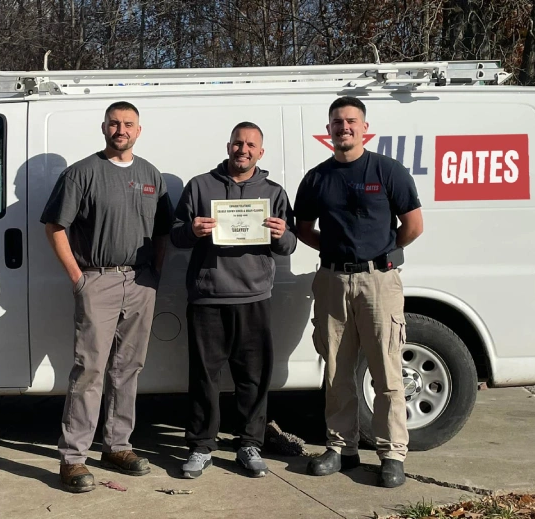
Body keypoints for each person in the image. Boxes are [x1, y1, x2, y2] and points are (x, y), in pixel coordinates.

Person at [40, 101, 174, 493]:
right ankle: (74, 458)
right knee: (90, 369)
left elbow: (164, 230)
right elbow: (55, 227)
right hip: (96, 280)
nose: (121, 130)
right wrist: (79, 279)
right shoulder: (81, 173)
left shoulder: (152, 175)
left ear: (139, 129)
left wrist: (156, 273)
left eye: (128, 124)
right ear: (103, 128)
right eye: (114, 123)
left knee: (128, 367)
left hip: (140, 282)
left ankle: (117, 446)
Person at [294, 96, 423, 488]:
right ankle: (341, 448)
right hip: (332, 281)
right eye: (337, 122)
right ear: (328, 129)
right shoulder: (317, 177)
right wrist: (335, 255)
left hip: (378, 282)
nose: (344, 127)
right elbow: (303, 227)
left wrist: (377, 255)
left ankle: (391, 453)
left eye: (351, 121)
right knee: (336, 370)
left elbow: (413, 225)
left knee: (386, 370)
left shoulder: (388, 171)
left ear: (365, 128)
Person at [170, 121, 297, 479]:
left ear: (261, 152)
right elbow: (177, 236)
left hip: (254, 296)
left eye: (251, 145)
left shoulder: (272, 191)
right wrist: (192, 231)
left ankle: (249, 445)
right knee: (204, 377)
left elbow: (289, 246)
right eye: (238, 143)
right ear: (228, 147)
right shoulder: (200, 186)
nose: (244, 149)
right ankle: (200, 446)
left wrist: (281, 234)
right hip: (208, 296)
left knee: (253, 379)